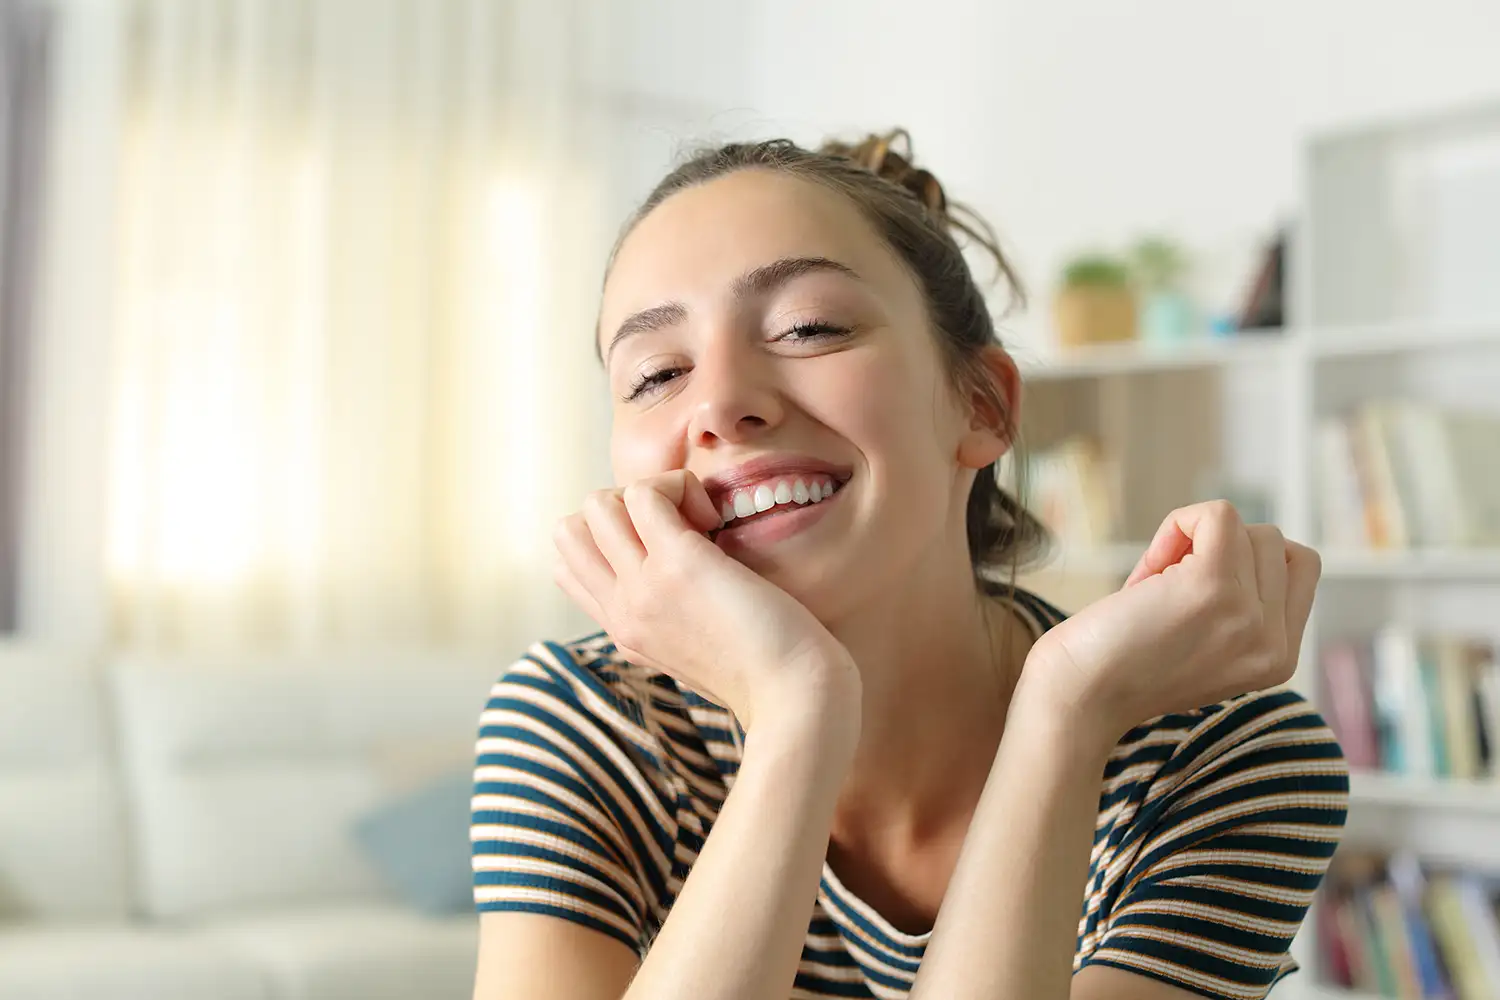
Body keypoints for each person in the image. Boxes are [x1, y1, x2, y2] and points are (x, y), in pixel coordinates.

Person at [469, 131, 1348, 1000]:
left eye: (807, 327)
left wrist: (1065, 716)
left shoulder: (1221, 760)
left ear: (980, 406)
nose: (720, 405)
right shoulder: (587, 721)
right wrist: (796, 710)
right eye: (657, 374)